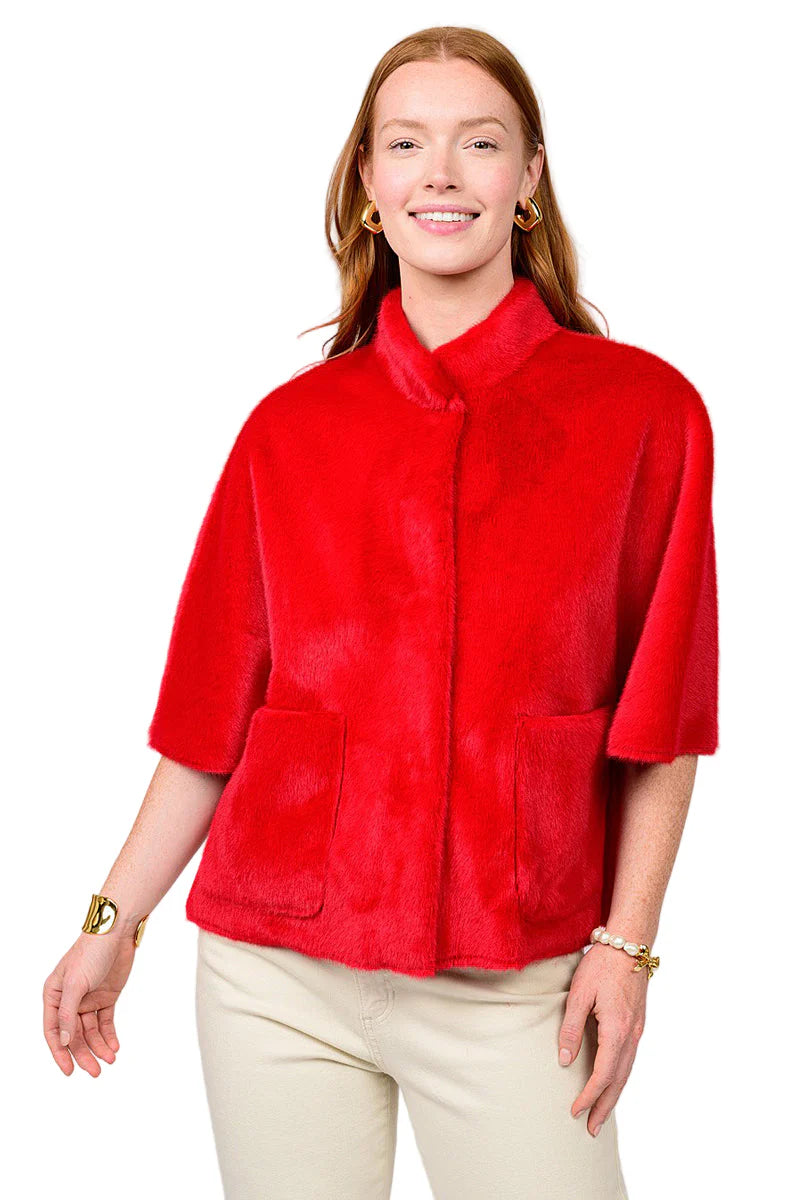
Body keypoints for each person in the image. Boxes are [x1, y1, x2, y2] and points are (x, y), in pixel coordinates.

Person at [43, 25, 718, 1200]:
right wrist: (111, 921)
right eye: (404, 144)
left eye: (479, 143)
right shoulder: (289, 429)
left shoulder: (643, 414)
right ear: (366, 181)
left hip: (517, 978)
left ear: (528, 176)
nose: (439, 173)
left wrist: (625, 945)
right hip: (273, 975)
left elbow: (660, 718)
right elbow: (208, 722)